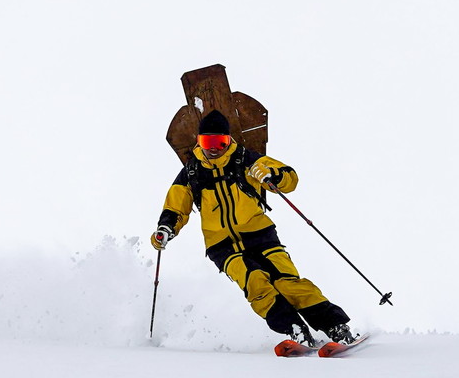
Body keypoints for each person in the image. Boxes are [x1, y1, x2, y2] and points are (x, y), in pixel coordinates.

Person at [151, 109, 353, 345]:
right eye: (208, 141)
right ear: (199, 141)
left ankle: (336, 327)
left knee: (288, 283)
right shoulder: (191, 172)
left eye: (220, 141)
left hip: (261, 236)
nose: (213, 148)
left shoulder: (245, 160)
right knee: (255, 282)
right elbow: (176, 207)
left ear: (229, 140)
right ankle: (295, 329)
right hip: (221, 245)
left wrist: (271, 175)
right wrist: (165, 229)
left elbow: (290, 178)